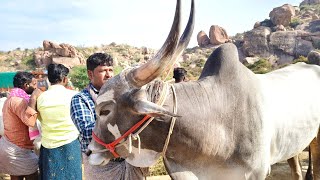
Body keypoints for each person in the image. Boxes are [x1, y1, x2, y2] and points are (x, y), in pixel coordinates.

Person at [71, 53, 146, 179]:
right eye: (103, 71)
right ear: (90, 74)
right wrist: (124, 125)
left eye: (110, 70)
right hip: (100, 165)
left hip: (128, 160)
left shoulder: (122, 95)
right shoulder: (80, 99)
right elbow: (87, 132)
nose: (109, 75)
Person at [36, 64, 82, 179]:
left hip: (48, 147)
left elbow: (40, 120)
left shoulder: (41, 98)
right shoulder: (74, 95)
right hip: (70, 145)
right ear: (65, 79)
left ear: (49, 79)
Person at [0, 71, 41, 180]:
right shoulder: (18, 101)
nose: (36, 87)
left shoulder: (11, 98)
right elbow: (30, 121)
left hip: (11, 147)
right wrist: (33, 97)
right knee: (33, 176)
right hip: (17, 150)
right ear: (26, 85)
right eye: (34, 84)